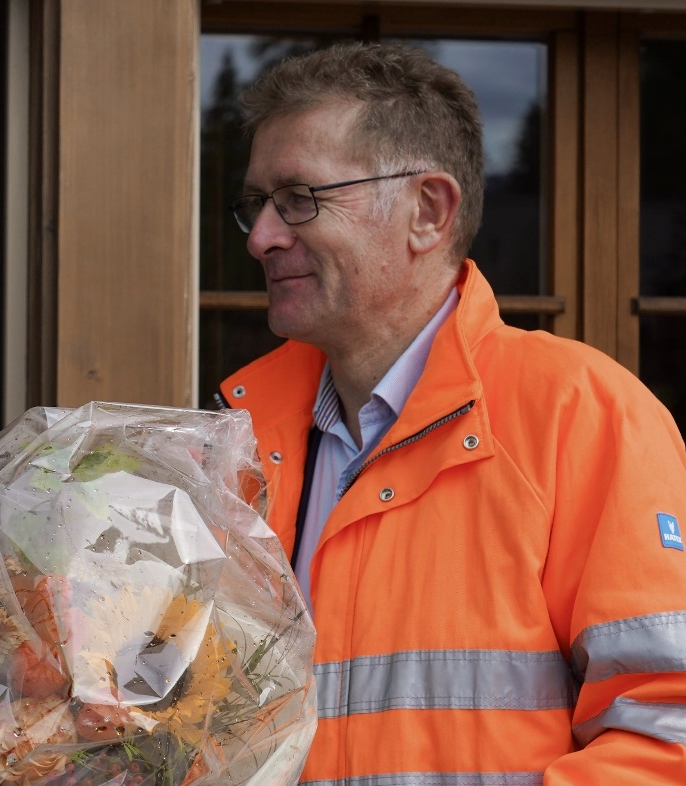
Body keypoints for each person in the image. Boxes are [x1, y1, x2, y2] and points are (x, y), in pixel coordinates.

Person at [215, 43, 686, 784]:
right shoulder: (235, 443)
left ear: (428, 212)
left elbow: (667, 735)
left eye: (299, 198)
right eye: (258, 203)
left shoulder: (578, 414)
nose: (261, 237)